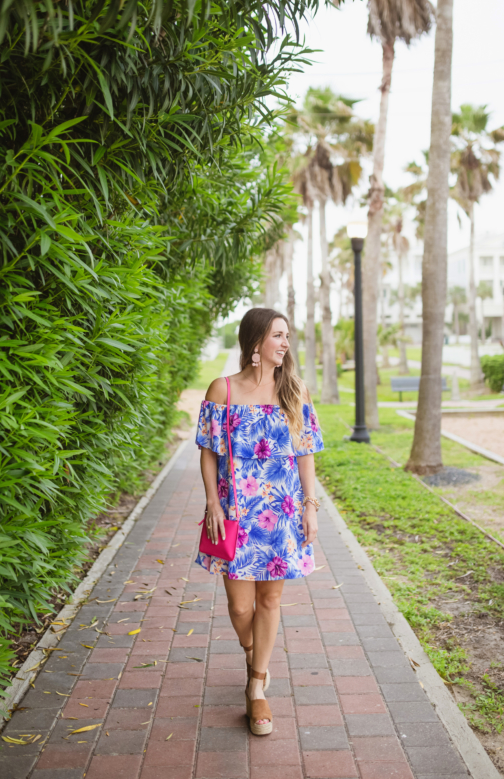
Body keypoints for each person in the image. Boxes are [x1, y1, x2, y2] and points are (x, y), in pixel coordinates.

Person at [195, 307, 324, 735]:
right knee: (239, 606)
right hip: (235, 514)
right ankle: (255, 652)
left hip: (281, 513)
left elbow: (305, 454)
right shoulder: (223, 390)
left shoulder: (295, 391)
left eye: (287, 336)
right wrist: (212, 503)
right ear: (255, 343)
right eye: (277, 336)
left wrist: (310, 506)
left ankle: (256, 687)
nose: (285, 344)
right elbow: (209, 453)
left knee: (270, 601)